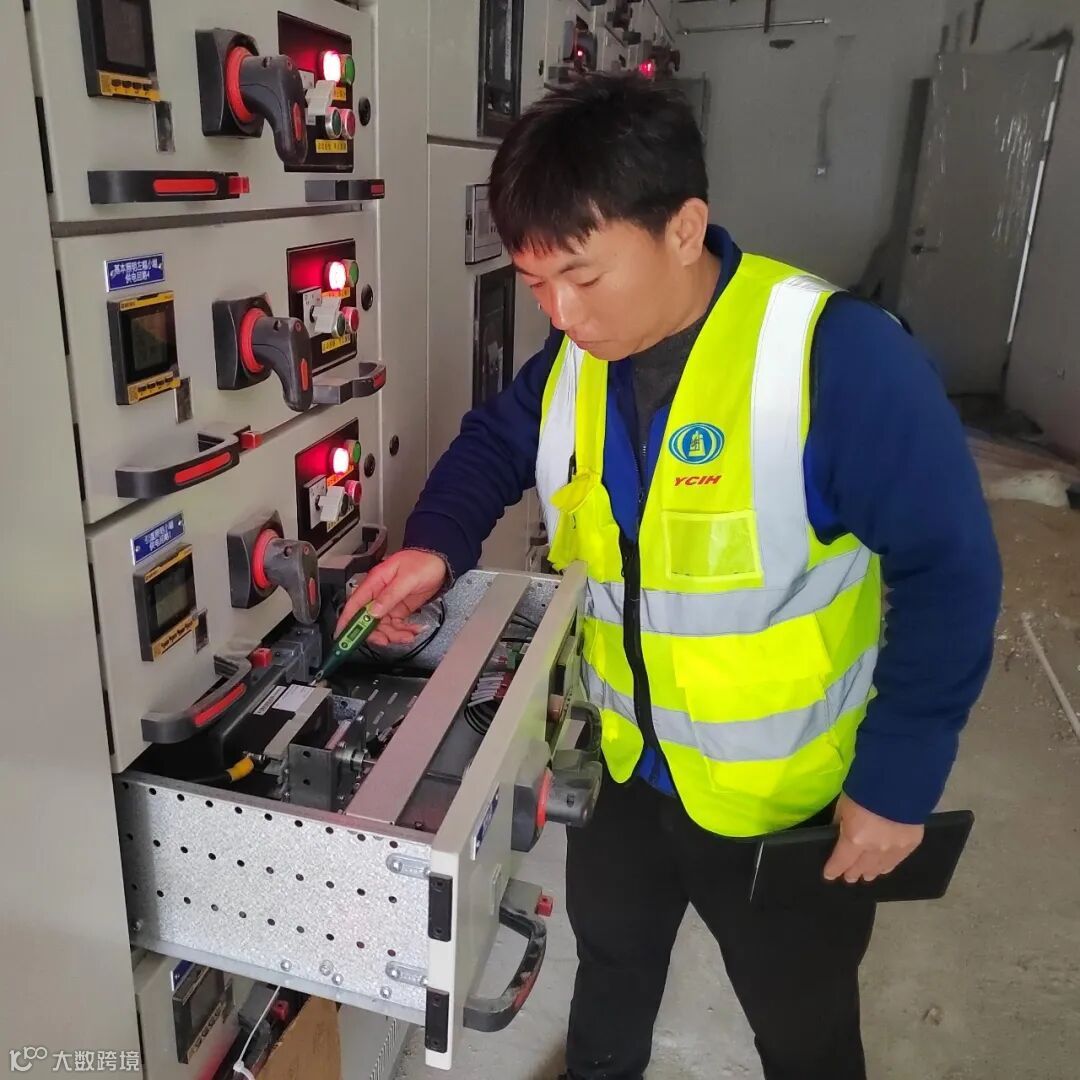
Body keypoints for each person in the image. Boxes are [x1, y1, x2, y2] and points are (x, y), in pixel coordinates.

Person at [335, 74, 1002, 1080]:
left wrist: (898, 782)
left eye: (582, 277)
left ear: (684, 228)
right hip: (627, 772)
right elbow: (494, 444)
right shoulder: (577, 361)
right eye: (536, 284)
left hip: (784, 801)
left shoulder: (832, 358)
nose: (561, 314)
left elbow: (950, 573)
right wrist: (435, 545)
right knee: (611, 975)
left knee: (806, 1032)